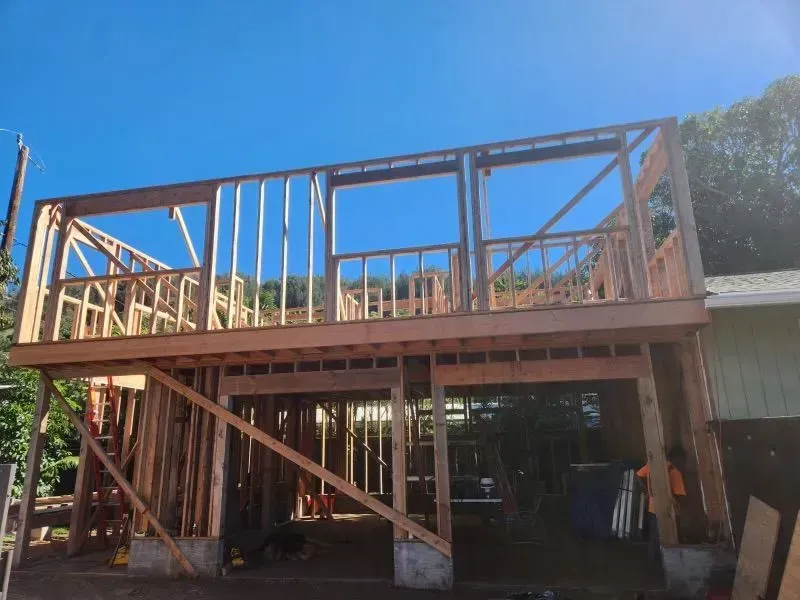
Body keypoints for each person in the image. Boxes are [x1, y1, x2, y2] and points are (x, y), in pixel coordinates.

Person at [636, 446, 686, 559]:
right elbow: (679, 496)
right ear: (678, 458)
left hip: (653, 510)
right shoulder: (674, 472)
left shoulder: (651, 467)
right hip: (669, 512)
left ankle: (653, 564)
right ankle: (668, 565)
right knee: (670, 539)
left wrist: (646, 491)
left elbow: (638, 475)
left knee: (654, 538)